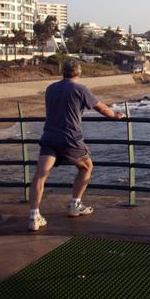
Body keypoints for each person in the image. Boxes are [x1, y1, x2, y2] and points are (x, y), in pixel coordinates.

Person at [28, 59, 124, 232]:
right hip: (70, 138)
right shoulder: (80, 89)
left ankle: (34, 216)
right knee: (87, 167)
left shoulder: (51, 89)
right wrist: (115, 115)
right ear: (79, 72)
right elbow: (101, 108)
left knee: (40, 176)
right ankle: (75, 205)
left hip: (49, 136)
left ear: (62, 71)